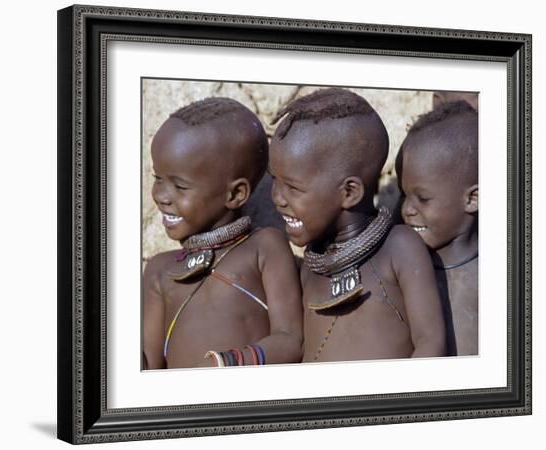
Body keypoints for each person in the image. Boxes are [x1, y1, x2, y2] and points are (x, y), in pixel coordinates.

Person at [268, 88, 446, 362]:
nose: (277, 198)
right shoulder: (314, 265)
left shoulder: (399, 247)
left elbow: (430, 343)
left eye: (292, 187)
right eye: (274, 180)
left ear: (349, 192)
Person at [143, 97, 303, 369]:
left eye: (180, 186)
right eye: (158, 178)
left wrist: (229, 364)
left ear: (236, 194)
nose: (160, 196)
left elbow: (291, 340)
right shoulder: (159, 270)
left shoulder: (263, 247)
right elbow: (149, 365)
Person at [396, 100, 478, 356]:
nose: (408, 210)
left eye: (423, 198)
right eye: (404, 195)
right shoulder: (400, 266)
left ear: (472, 199)